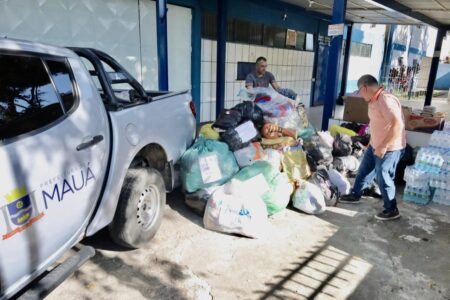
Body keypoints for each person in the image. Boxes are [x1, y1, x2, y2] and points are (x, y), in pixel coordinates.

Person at [340, 74, 406, 221]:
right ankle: (355, 194)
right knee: (364, 171)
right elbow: (377, 124)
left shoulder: (385, 100)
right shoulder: (373, 100)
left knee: (383, 175)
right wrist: (372, 141)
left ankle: (391, 209)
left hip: (390, 147)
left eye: (359, 91)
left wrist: (383, 145)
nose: (359, 94)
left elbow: (398, 125)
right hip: (375, 145)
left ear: (365, 87)